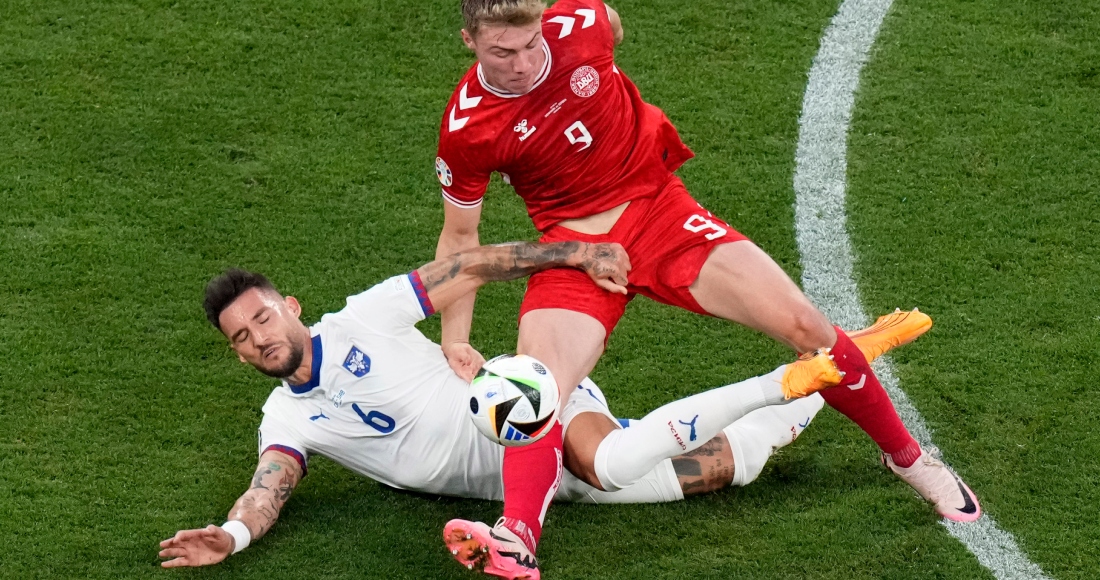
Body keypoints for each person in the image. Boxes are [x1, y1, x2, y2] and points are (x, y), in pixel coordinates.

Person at [433, 1, 980, 575]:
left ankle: (910, 459)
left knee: (807, 328)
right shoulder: (468, 126)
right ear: (469, 40)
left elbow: (612, 24)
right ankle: (516, 537)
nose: (522, 64)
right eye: (502, 52)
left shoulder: (582, 24)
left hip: (660, 212)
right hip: (576, 249)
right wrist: (456, 337)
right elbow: (459, 239)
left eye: (530, 44)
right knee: (534, 389)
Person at [157, 241, 917, 576]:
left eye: (262, 318)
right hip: (519, 484)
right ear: (237, 353)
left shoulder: (361, 318)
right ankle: (831, 370)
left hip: (523, 406)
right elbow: (267, 491)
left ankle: (808, 373)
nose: (259, 337)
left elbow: (464, 266)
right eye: (242, 337)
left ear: (289, 308)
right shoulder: (285, 421)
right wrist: (231, 537)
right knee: (723, 471)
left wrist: (570, 255)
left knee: (604, 459)